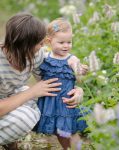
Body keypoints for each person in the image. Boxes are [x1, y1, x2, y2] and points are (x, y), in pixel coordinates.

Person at [0, 13, 84, 150]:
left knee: (37, 104)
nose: (43, 45)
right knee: (25, 117)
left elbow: (54, 82)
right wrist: (33, 91)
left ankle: (9, 142)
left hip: (7, 97)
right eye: (40, 43)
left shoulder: (35, 55)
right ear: (25, 46)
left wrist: (79, 90)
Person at [35, 18, 88, 150]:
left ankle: (70, 147)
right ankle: (68, 147)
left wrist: (81, 71)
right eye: (61, 42)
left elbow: (78, 76)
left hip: (65, 101)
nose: (66, 46)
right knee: (57, 129)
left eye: (69, 42)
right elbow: (36, 72)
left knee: (66, 128)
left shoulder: (71, 59)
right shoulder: (45, 57)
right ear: (49, 41)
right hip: (50, 102)